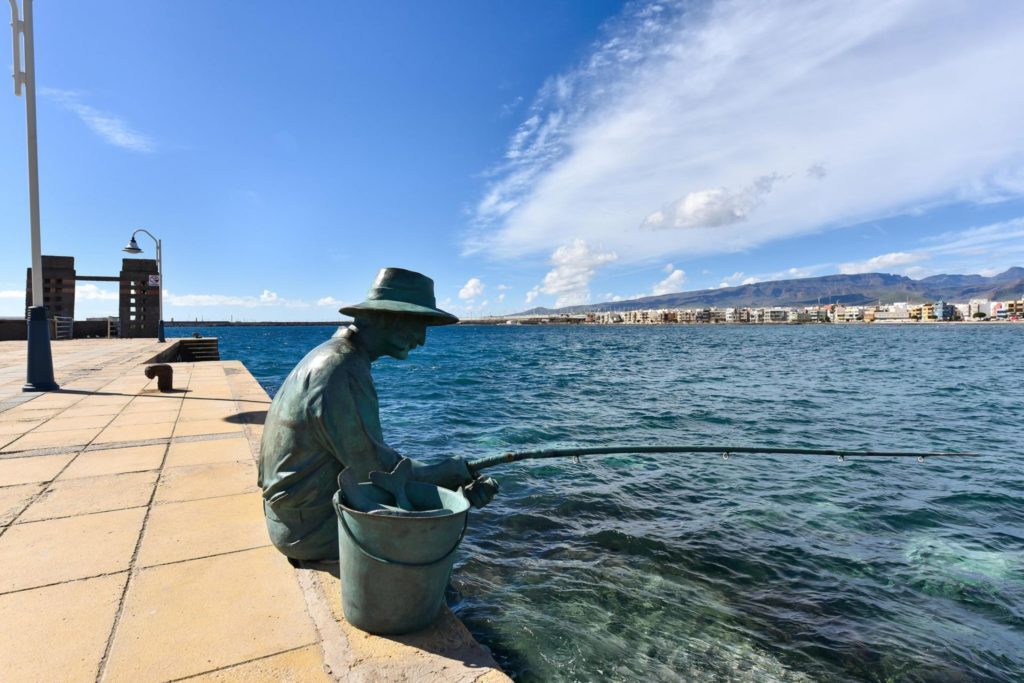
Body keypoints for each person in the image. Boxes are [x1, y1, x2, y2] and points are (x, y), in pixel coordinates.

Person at [258, 267, 498, 561]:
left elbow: (374, 460)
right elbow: (374, 474)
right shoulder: (341, 369)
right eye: (419, 324)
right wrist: (450, 477)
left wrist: (449, 477)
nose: (422, 339)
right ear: (387, 317)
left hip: (290, 517)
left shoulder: (335, 355)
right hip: (307, 532)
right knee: (424, 537)